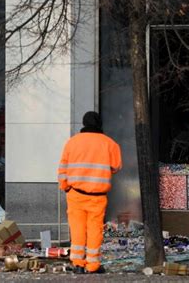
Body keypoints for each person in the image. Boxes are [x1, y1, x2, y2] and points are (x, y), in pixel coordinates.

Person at [57, 111, 122, 274]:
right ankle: (92, 265)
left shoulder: (72, 143)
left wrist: (65, 186)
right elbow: (116, 167)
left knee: (77, 228)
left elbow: (63, 168)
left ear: (84, 124)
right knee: (95, 230)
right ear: (99, 124)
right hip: (97, 197)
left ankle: (78, 263)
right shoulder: (110, 144)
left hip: (75, 194)